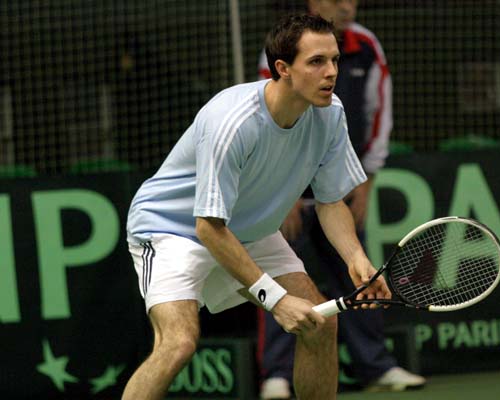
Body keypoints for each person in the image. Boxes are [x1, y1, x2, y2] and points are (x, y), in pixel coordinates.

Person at [122, 13, 391, 400]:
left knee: (320, 323)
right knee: (178, 343)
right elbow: (208, 227)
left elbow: (330, 201)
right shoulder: (233, 121)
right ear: (283, 68)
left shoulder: (330, 114)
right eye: (316, 62)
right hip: (173, 230)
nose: (331, 72)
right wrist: (276, 300)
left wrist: (356, 258)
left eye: (334, 60)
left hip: (249, 231)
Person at [257, 1, 426, 398]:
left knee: (359, 276)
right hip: (286, 195)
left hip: (340, 187)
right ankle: (277, 375)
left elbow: (378, 112)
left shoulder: (366, 46)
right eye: (336, 0)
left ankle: (376, 366)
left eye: (333, 61)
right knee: (282, 282)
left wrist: (366, 178)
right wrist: (284, 194)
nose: (346, 5)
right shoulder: (287, 45)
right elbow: (271, 116)